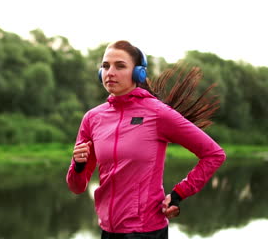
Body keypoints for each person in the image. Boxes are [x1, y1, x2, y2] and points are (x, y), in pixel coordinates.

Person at [65, 40, 226, 239]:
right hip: (108, 231)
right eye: (105, 66)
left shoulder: (157, 113)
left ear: (138, 73)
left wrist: (179, 193)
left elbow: (214, 154)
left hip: (146, 231)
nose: (110, 72)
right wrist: (78, 166)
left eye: (120, 66)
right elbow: (77, 186)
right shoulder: (92, 118)